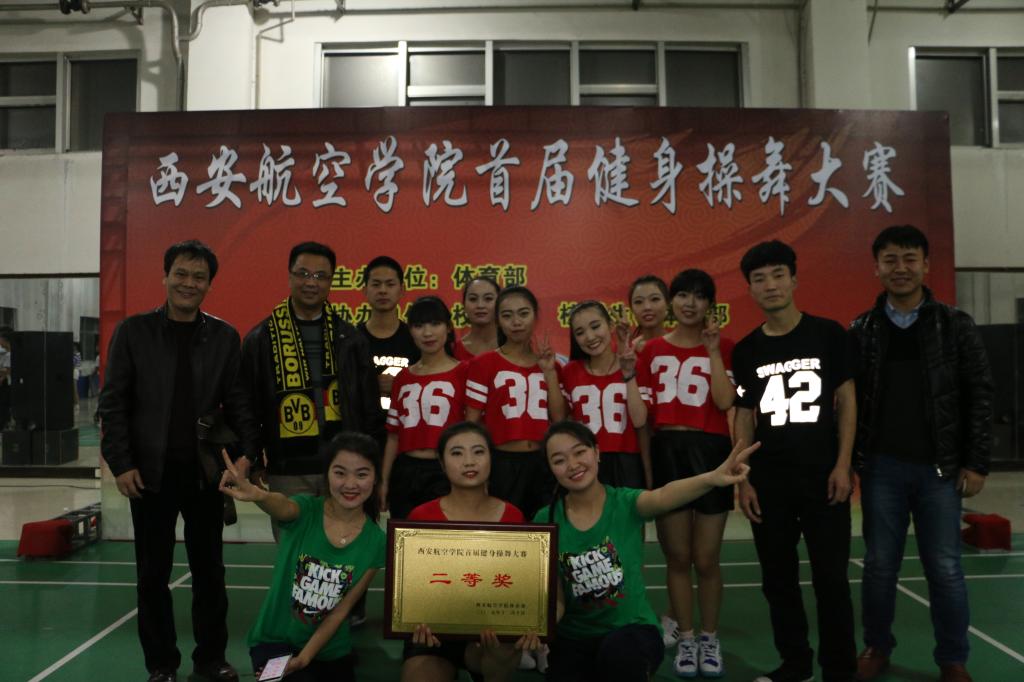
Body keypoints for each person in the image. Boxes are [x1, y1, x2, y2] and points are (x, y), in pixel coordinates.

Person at [98, 239, 258, 682]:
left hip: (206, 475)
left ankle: (211, 660)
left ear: (209, 285)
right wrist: (121, 462)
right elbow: (114, 403)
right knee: (152, 576)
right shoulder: (133, 333)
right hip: (149, 475)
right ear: (165, 277)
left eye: (199, 277)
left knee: (210, 573)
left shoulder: (223, 337)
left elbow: (239, 402)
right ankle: (161, 665)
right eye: (181, 274)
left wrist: (246, 455)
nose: (189, 283)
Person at [849, 225, 993, 682]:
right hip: (881, 469)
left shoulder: (956, 325)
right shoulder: (862, 330)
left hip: (941, 471)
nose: (901, 268)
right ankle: (876, 646)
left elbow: (980, 395)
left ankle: (952, 658)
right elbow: (847, 403)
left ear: (926, 265)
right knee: (878, 567)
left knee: (946, 569)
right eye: (890, 260)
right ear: (877, 268)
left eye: (910, 258)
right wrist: (850, 462)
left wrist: (976, 462)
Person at [536, 420, 756, 682]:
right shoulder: (545, 520)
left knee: (619, 656)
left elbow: (663, 496)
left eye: (579, 452)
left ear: (597, 452)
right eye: (559, 460)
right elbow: (556, 597)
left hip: (632, 632)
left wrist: (711, 478)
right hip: (575, 637)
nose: (572, 464)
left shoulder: (625, 503)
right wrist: (536, 626)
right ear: (550, 468)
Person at [731, 240, 857, 682]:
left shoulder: (829, 335)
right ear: (750, 289)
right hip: (769, 481)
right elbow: (743, 415)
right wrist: (743, 478)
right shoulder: (746, 350)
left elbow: (847, 400)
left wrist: (843, 464)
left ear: (794, 279)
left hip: (824, 476)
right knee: (777, 579)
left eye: (778, 275)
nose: (770, 285)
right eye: (759, 279)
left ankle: (839, 669)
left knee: (831, 579)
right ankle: (795, 663)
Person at [219, 431, 386, 682]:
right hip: (275, 642)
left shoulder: (376, 542)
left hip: (329, 647)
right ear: (326, 474)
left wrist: (304, 658)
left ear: (375, 479)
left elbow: (340, 612)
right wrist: (259, 495)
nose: (350, 484)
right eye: (340, 473)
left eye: (362, 474)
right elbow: (283, 506)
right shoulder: (306, 511)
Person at [241, 241, 383, 535]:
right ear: (289, 275)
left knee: (345, 546)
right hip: (287, 469)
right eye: (303, 273)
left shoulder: (350, 338)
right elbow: (248, 407)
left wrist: (372, 463)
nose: (311, 282)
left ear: (331, 281)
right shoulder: (261, 339)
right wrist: (253, 460)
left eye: (320, 276)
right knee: (295, 550)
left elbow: (368, 407)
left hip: (345, 467)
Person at [635, 269, 736, 678]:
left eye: (699, 296)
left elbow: (725, 401)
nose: (689, 303)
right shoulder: (650, 350)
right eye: (682, 295)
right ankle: (688, 638)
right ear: (671, 301)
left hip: (711, 452)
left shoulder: (724, 346)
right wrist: (648, 471)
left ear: (710, 304)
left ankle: (710, 638)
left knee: (706, 558)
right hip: (668, 453)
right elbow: (643, 419)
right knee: (677, 556)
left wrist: (713, 353)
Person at [401, 421, 539, 682]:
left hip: (491, 633)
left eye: (478, 452)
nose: (469, 461)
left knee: (501, 650)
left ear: (491, 458)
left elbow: (522, 585)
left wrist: (528, 624)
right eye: (457, 453)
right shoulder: (421, 516)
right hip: (434, 633)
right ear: (442, 463)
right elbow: (412, 588)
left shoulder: (513, 516)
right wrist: (414, 620)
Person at [465, 285, 554, 520]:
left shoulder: (550, 364)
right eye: (507, 315)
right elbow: (471, 425)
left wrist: (550, 372)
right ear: (497, 321)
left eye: (523, 313)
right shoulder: (483, 364)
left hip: (543, 463)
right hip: (501, 465)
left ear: (535, 316)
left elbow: (559, 417)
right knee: (505, 532)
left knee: (544, 532)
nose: (516, 322)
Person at [380, 296, 467, 520]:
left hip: (447, 471)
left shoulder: (465, 372)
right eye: (419, 326)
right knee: (404, 536)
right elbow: (393, 436)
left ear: (448, 328)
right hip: (405, 473)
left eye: (435, 324)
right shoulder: (403, 377)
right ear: (410, 331)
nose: (427, 333)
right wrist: (384, 481)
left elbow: (473, 430)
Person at [546, 301, 649, 489]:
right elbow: (559, 418)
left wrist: (628, 374)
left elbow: (640, 420)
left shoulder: (634, 364)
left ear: (610, 325)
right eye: (580, 332)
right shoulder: (570, 371)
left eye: (595, 326)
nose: (590, 337)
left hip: (627, 462)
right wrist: (550, 373)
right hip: (585, 463)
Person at [358, 255, 421, 409]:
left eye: (390, 284)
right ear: (365, 290)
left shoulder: (416, 338)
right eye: (376, 284)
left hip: (406, 421)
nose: (383, 291)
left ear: (402, 290)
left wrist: (399, 384)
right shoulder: (353, 339)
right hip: (363, 423)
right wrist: (372, 385)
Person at [453, 276, 500, 361]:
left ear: (500, 303)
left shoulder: (513, 346)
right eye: (473, 299)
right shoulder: (453, 351)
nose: (480, 305)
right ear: (464, 305)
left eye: (488, 299)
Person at [628, 275, 670, 354]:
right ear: (631, 308)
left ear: (667, 303)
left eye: (655, 299)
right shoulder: (629, 351)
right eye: (638, 302)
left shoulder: (681, 345)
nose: (647, 307)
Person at [0, 326, 12, 429]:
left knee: (4, 407)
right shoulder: (7, 353)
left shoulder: (9, 355)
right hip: (8, 384)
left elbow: (7, 371)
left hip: (9, 386)